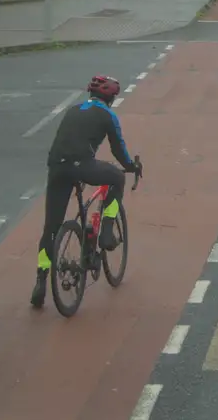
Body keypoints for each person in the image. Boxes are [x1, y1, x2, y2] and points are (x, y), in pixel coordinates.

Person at [31, 75, 140, 308]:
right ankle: (106, 232)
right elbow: (118, 148)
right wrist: (131, 166)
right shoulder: (107, 115)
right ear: (110, 98)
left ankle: (40, 281)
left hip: (57, 166)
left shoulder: (73, 110)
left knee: (51, 228)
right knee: (117, 178)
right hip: (81, 164)